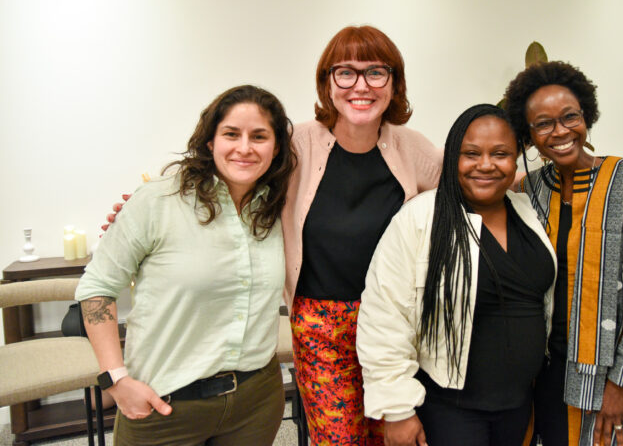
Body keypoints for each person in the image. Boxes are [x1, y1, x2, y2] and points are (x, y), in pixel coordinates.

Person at [76, 85, 296, 446]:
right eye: (231, 134)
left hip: (256, 401)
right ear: (211, 142)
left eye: (259, 136)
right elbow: (97, 286)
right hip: (165, 404)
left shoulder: (277, 209)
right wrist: (115, 379)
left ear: (276, 148)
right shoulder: (159, 200)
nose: (244, 147)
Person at [357, 104, 557, 446]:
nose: (486, 164)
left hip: (519, 403)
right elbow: (384, 317)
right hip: (453, 410)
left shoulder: (526, 213)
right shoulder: (420, 218)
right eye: (471, 153)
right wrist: (398, 410)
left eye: (500, 154)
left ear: (516, 158)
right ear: (452, 158)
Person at [282, 25, 443, 445]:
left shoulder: (412, 147)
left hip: (394, 322)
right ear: (327, 83)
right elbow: (232, 176)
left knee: (397, 434)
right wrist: (151, 202)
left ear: (393, 84)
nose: (361, 85)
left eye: (376, 72)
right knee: (339, 440)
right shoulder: (296, 144)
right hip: (319, 324)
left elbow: (473, 183)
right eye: (346, 73)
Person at [504, 61, 623, 446]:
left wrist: (622, 384)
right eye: (543, 124)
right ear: (528, 136)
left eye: (569, 117)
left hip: (612, 370)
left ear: (586, 117)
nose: (559, 131)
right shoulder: (530, 188)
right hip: (546, 368)